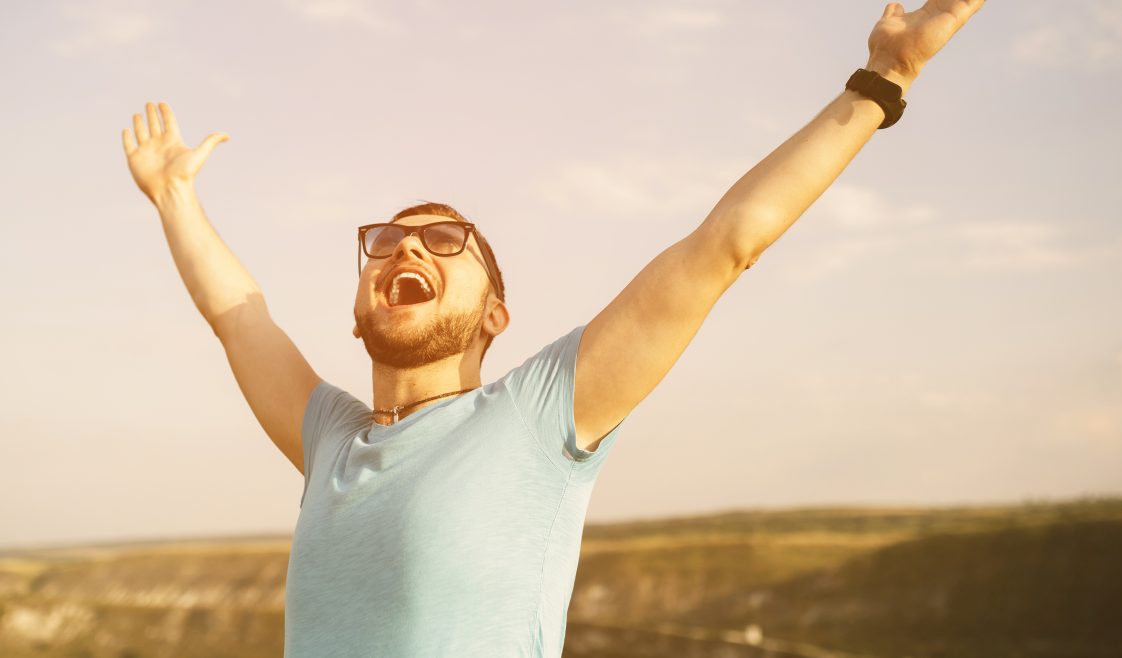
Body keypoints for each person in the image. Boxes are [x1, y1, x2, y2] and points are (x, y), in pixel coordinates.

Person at [121, 1, 984, 655]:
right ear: (359, 310)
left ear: (494, 315)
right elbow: (237, 317)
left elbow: (724, 246)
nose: (406, 247)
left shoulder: (534, 416)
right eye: (383, 241)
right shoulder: (329, 442)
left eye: (445, 240)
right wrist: (174, 196)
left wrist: (884, 80)